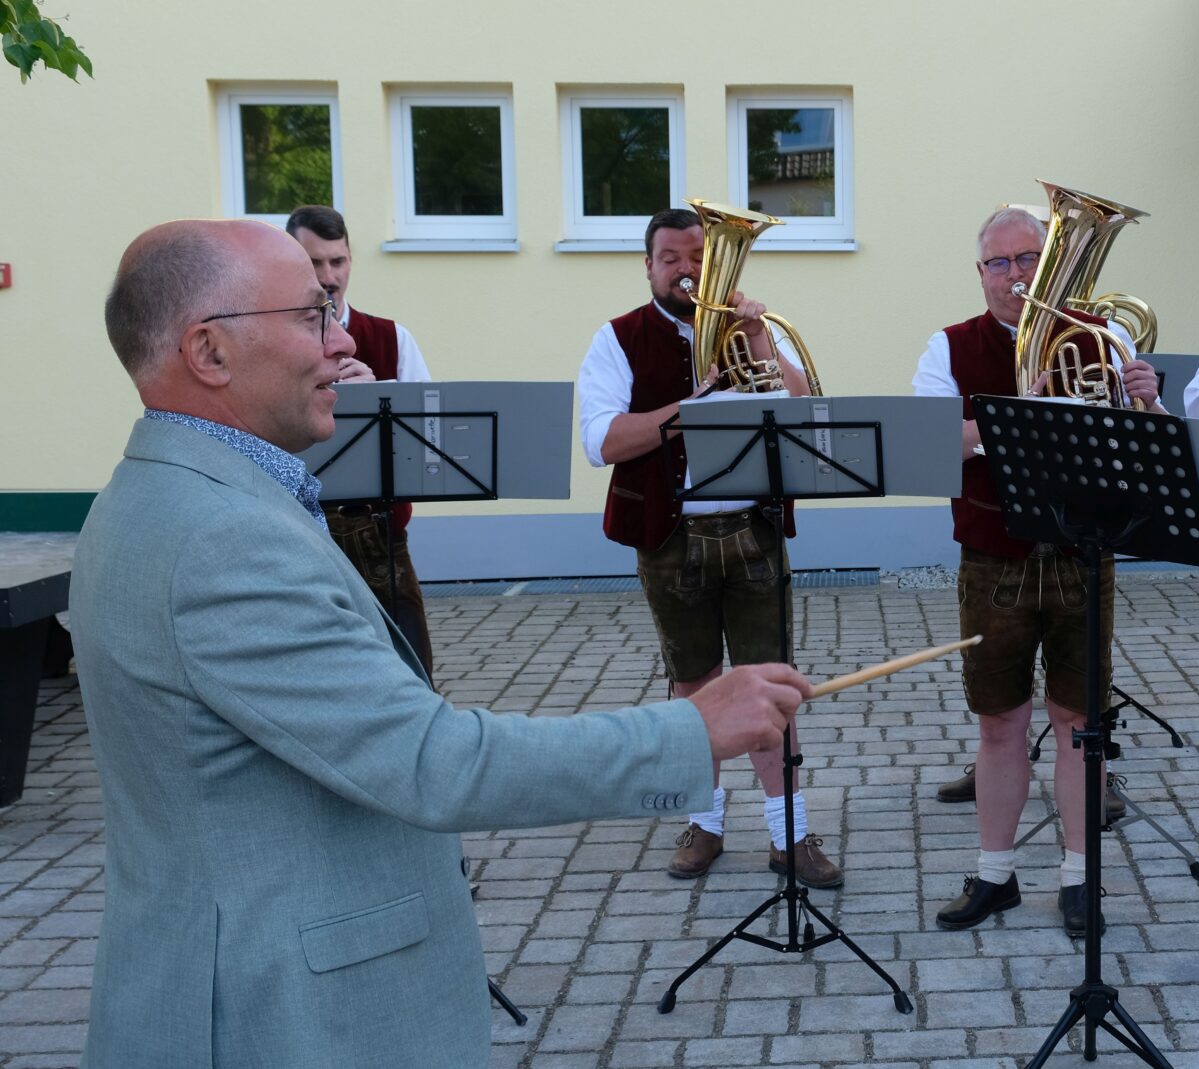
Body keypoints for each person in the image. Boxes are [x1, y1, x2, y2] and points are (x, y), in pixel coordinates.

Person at [70, 217, 815, 1069]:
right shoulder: (222, 539)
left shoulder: (159, 495)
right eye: (311, 315)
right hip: (278, 1014)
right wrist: (689, 729)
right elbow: (435, 763)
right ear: (209, 351)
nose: (343, 338)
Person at [912, 206, 1164, 936]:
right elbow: (931, 445)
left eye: (1030, 258)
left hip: (1084, 555)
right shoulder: (949, 345)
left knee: (1079, 724)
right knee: (1000, 723)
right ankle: (995, 874)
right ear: (981, 273)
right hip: (995, 560)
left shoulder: (1101, 335)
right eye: (1001, 262)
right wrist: (1018, 416)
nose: (1018, 275)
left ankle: (1081, 877)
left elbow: (1146, 452)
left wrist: (1146, 399)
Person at [577, 207, 843, 889]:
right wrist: (689, 407)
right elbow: (603, 441)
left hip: (753, 530)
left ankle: (789, 832)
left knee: (771, 685)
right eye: (670, 258)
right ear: (648, 266)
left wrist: (755, 337)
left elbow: (805, 407)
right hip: (669, 537)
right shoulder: (617, 338)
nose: (687, 270)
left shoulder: (744, 331)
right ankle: (706, 821)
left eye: (699, 256)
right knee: (693, 686)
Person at [285, 205, 436, 681]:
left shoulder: (392, 338)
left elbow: (428, 448)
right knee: (318, 680)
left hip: (380, 538)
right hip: (297, 536)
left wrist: (376, 398)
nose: (329, 277)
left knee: (414, 676)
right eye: (314, 263)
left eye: (338, 261)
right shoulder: (268, 342)